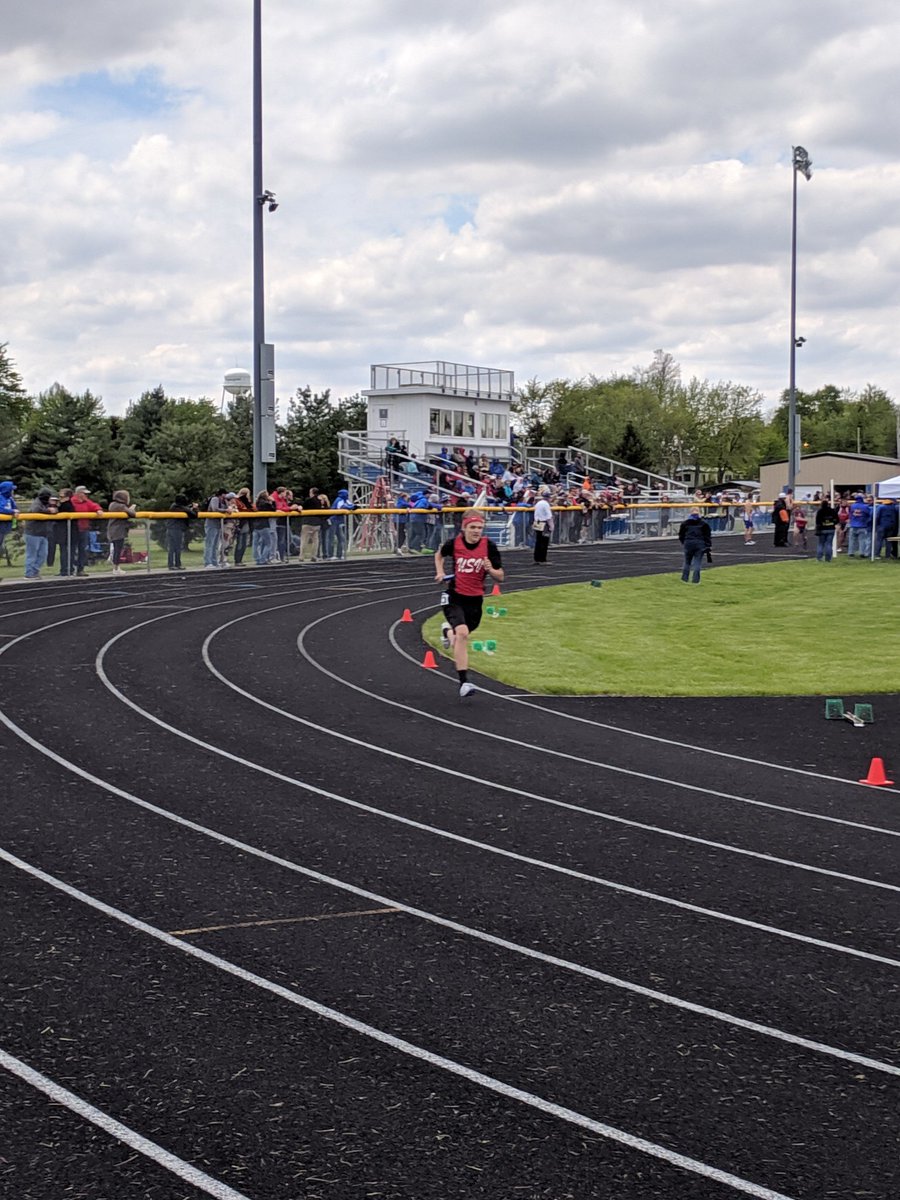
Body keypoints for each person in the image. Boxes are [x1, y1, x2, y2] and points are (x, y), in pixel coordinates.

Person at [434, 510, 504, 699]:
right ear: (464, 528)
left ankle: (447, 632)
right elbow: (439, 555)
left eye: (480, 527)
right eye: (473, 527)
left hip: (475, 599)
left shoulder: (489, 546)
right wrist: (440, 572)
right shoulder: (454, 543)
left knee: (460, 638)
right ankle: (464, 682)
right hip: (454, 596)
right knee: (463, 633)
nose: (476, 531)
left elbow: (500, 577)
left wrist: (491, 570)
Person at [24, 489, 57, 578]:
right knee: (32, 554)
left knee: (43, 554)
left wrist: (52, 509)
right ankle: (29, 573)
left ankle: (35, 571)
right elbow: (36, 510)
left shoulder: (47, 504)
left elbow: (55, 510)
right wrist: (48, 511)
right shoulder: (37, 502)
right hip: (33, 532)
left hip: (44, 533)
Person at [70, 485, 102, 575]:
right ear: (78, 493)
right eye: (84, 493)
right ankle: (70, 569)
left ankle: (80, 569)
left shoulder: (87, 502)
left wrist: (98, 510)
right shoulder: (72, 502)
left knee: (83, 550)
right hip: (74, 529)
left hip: (84, 529)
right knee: (72, 550)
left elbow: (94, 506)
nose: (86, 495)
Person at [677, 506, 712, 583]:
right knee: (697, 562)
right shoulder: (704, 523)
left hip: (688, 543)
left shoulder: (685, 523)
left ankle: (685, 578)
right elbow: (707, 536)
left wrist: (684, 542)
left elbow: (681, 535)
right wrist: (708, 545)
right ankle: (695, 580)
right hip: (700, 543)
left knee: (687, 562)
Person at [107, 490, 137, 573]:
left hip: (113, 530)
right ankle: (116, 568)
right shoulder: (120, 506)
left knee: (116, 549)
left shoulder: (112, 504)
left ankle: (116, 567)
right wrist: (131, 508)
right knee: (118, 550)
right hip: (118, 531)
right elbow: (132, 514)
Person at [166, 494, 197, 569]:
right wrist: (195, 508)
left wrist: (190, 508)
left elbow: (186, 509)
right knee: (177, 547)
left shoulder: (174, 506)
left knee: (172, 548)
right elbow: (194, 515)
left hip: (171, 528)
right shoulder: (179, 507)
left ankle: (172, 565)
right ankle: (177, 564)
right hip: (176, 529)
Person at [204, 489, 228, 568]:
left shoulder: (223, 501)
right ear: (222, 494)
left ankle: (214, 562)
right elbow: (215, 509)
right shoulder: (215, 499)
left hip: (218, 524)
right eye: (225, 494)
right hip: (211, 524)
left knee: (216, 545)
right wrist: (226, 510)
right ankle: (208, 562)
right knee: (210, 544)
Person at [299, 488, 322, 562]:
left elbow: (302, 508)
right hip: (316, 523)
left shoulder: (308, 500)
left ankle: (302, 556)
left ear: (312, 493)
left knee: (304, 540)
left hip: (307, 522)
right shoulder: (319, 501)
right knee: (315, 541)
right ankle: (314, 556)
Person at [846, 493, 872, 558]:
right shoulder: (865, 506)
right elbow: (869, 515)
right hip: (862, 525)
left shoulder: (852, 506)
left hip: (853, 525)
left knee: (852, 540)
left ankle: (851, 552)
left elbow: (850, 515)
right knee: (862, 540)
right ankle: (862, 552)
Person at [532, 487, 553, 564]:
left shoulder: (538, 503)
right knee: (544, 542)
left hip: (537, 522)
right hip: (544, 523)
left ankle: (537, 559)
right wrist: (551, 526)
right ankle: (542, 559)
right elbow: (549, 516)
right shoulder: (546, 504)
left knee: (538, 541)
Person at [814, 496, 838, 562]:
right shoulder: (832, 511)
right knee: (829, 544)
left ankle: (819, 558)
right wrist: (832, 523)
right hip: (831, 529)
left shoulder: (820, 511)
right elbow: (837, 520)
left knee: (821, 544)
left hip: (822, 529)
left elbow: (817, 521)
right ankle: (828, 558)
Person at [0, 481, 17, 571]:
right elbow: (1, 508)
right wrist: (12, 511)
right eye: (11, 490)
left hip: (6, 527)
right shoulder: (1, 498)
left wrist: (15, 511)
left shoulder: (10, 499)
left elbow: (15, 508)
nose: (13, 491)